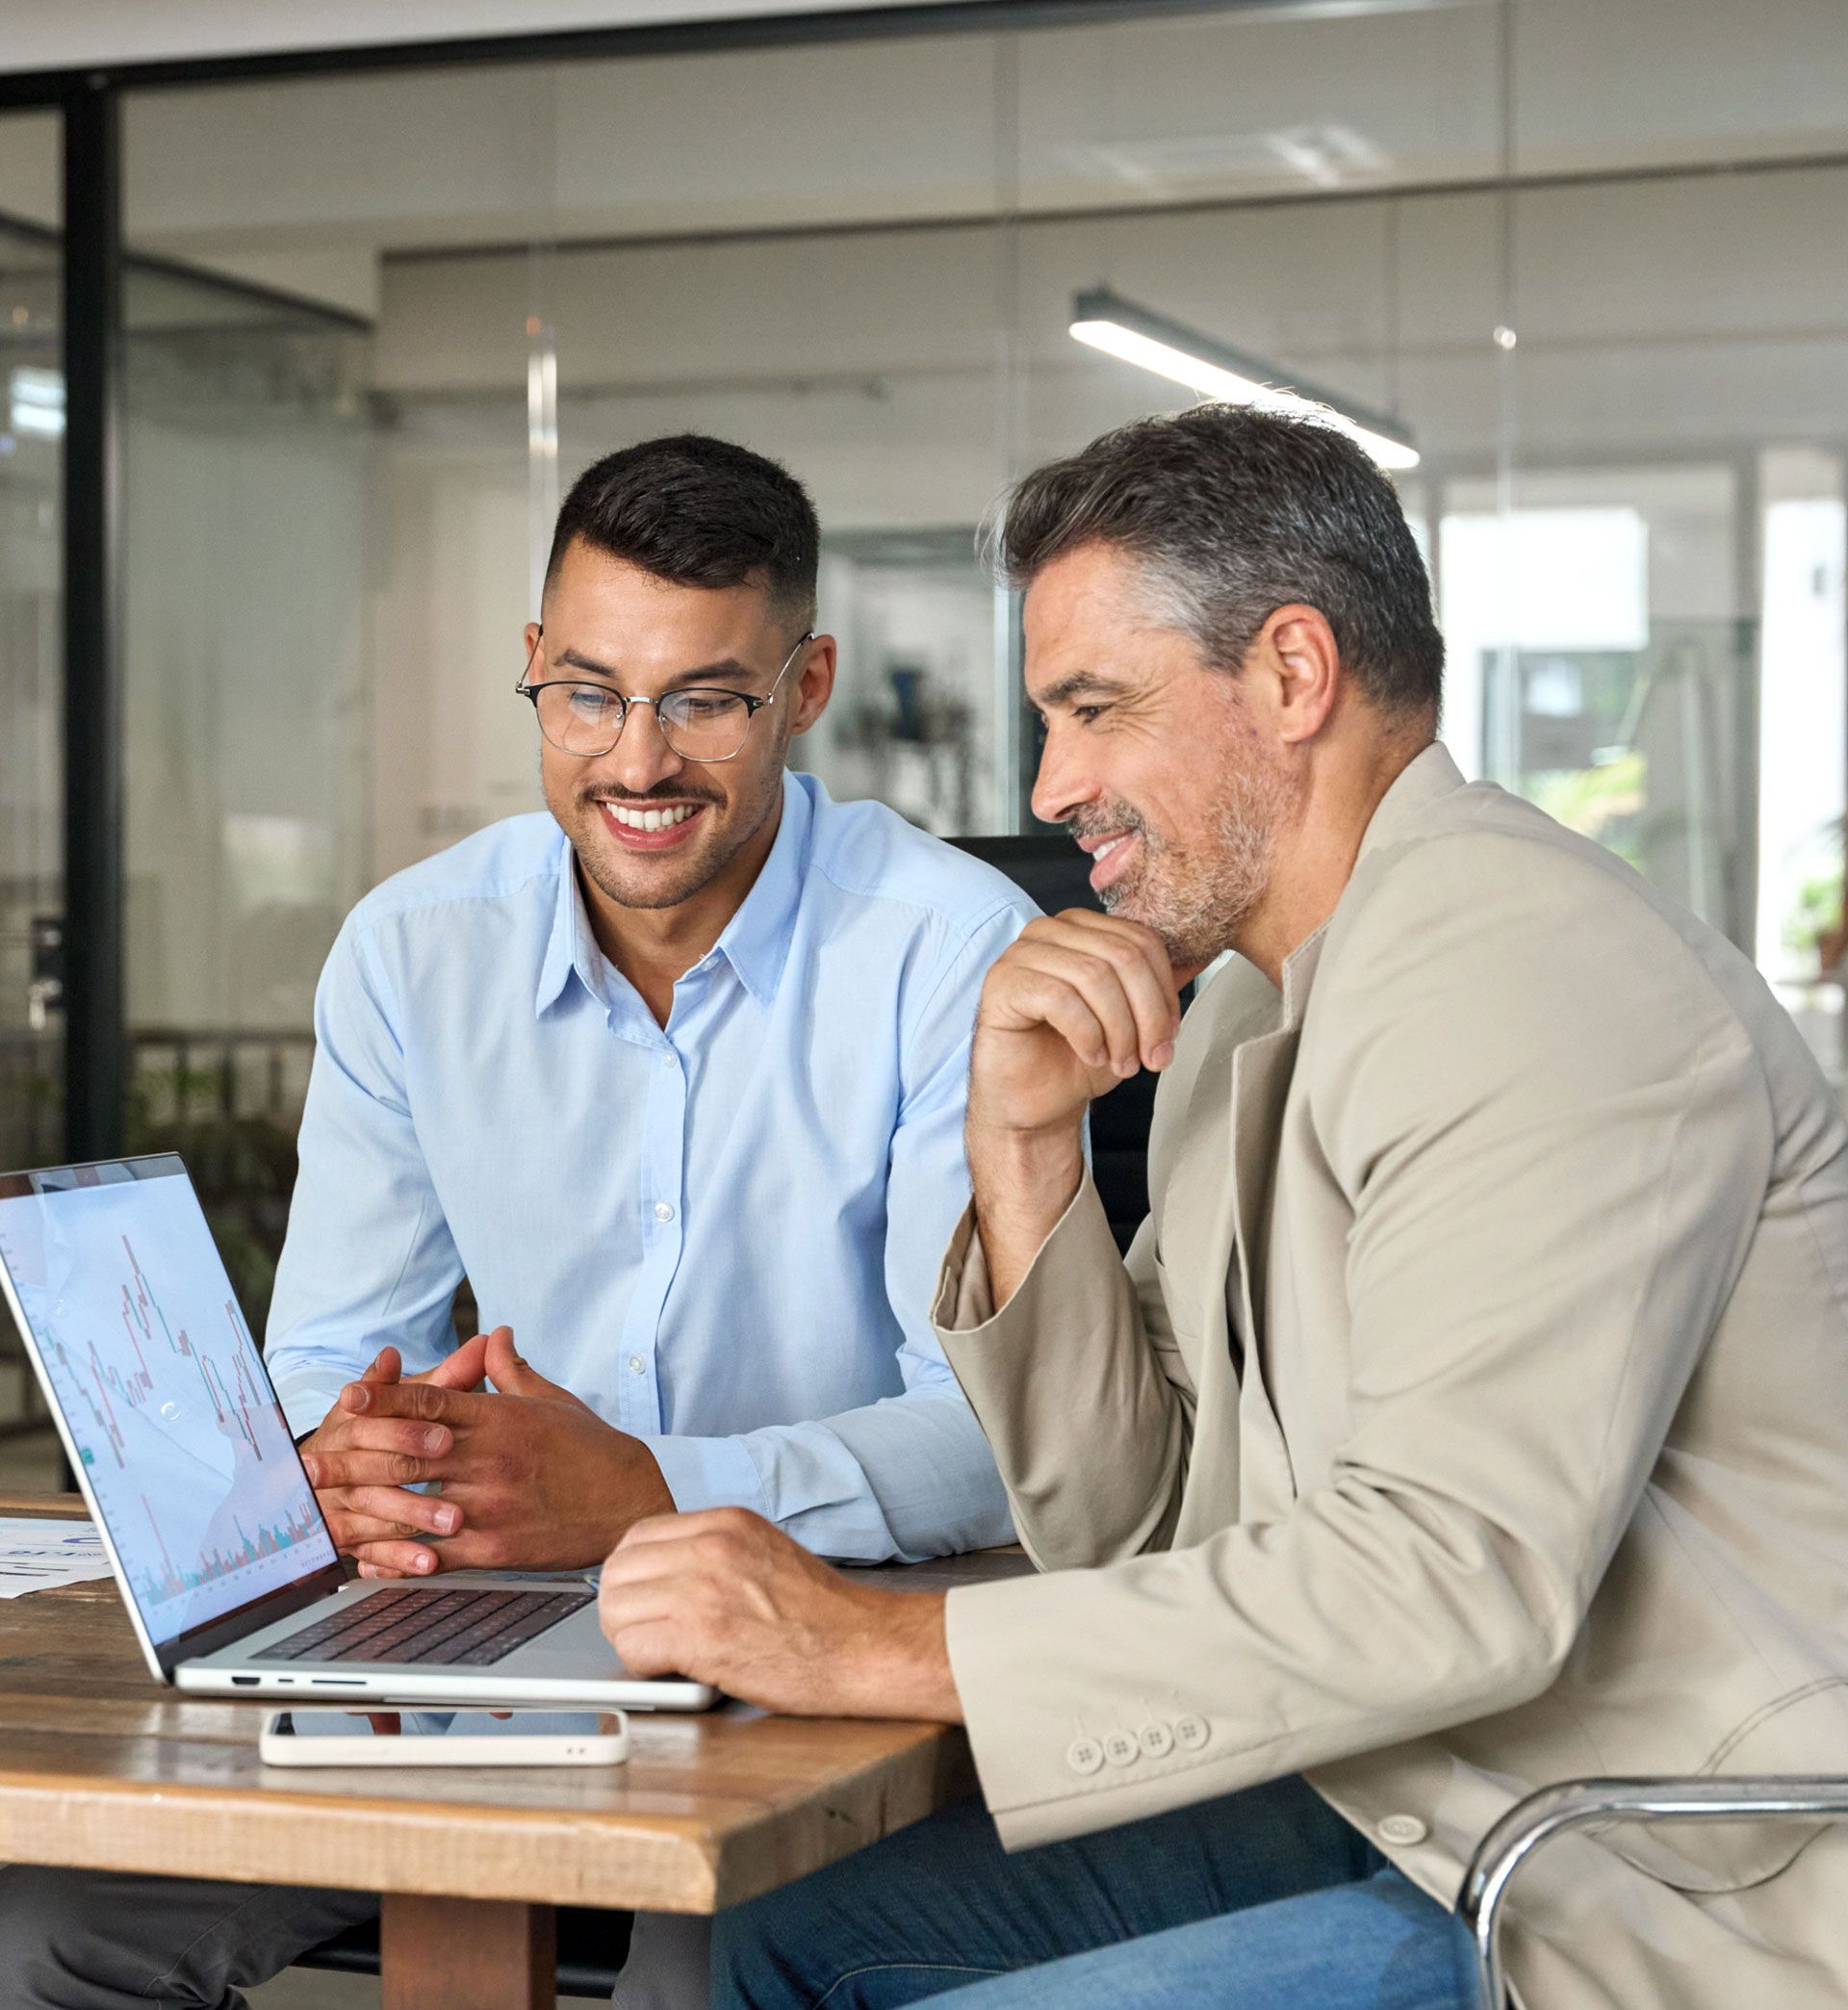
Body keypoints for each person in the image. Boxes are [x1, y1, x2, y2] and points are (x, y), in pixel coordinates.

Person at [595, 404, 1848, 2010]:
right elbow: (1141, 1519)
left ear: (1292, 675)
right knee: (765, 1941)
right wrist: (1028, 1156)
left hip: (1615, 1876)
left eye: (1095, 709)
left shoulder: (1530, 972)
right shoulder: (1254, 1004)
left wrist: (870, 1648)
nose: (1054, 787)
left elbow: (1450, 1582)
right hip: (1398, 1795)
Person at [0, 432, 1029, 2008]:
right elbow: (327, 1360)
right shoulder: (416, 951)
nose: (638, 760)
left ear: (805, 686)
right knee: (46, 1934)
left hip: (818, 1647)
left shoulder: (949, 950)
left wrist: (644, 1493)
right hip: (466, 1624)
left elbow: (984, 1439)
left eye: (708, 698)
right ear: (534, 669)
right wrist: (337, 1461)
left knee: (708, 1970)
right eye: (593, 693)